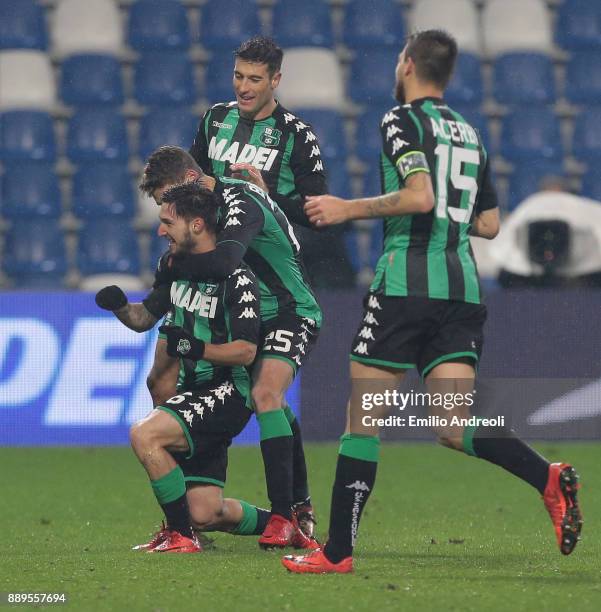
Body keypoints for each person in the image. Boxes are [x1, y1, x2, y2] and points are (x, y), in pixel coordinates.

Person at [282, 30, 583, 574]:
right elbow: (489, 223)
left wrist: (348, 208)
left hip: (405, 286)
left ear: (409, 66)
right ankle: (548, 477)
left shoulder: (401, 120)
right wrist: (447, 215)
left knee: (362, 420)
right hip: (461, 290)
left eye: (400, 58)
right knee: (452, 424)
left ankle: (337, 553)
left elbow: (420, 195)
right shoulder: (470, 134)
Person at [140, 146, 321, 550]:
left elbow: (224, 263)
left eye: (167, 198)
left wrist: (169, 270)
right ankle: (185, 520)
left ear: (188, 181)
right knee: (163, 380)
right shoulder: (210, 203)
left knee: (265, 393)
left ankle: (285, 515)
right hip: (244, 309)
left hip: (289, 310)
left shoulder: (239, 199)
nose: (165, 212)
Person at [95, 183, 270, 553]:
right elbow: (145, 317)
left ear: (196, 225)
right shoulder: (173, 267)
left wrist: (196, 347)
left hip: (228, 393)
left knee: (145, 435)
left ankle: (179, 536)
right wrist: (121, 308)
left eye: (167, 222)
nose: (160, 230)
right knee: (206, 512)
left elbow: (246, 352)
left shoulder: (237, 279)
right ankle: (285, 524)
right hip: (191, 394)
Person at [191, 35, 355, 288]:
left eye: (254, 79)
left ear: (275, 80)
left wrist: (267, 197)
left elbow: (318, 218)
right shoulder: (214, 118)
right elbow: (194, 182)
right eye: (238, 76)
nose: (243, 87)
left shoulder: (298, 135)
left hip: (272, 278)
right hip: (217, 270)